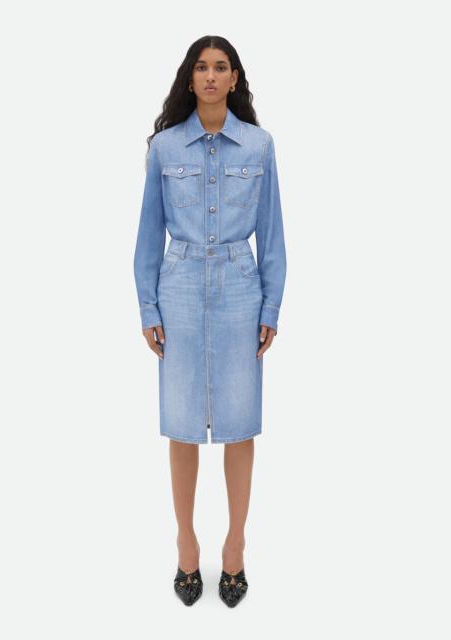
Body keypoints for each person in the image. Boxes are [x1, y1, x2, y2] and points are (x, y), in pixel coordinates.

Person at [133, 35, 287, 607]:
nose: (211, 76)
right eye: (201, 67)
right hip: (177, 286)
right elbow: (149, 232)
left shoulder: (260, 146)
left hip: (240, 289)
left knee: (239, 423)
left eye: (221, 67)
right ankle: (185, 541)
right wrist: (148, 306)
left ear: (235, 78)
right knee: (181, 423)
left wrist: (270, 306)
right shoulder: (165, 147)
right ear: (190, 77)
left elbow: (272, 232)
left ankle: (236, 543)